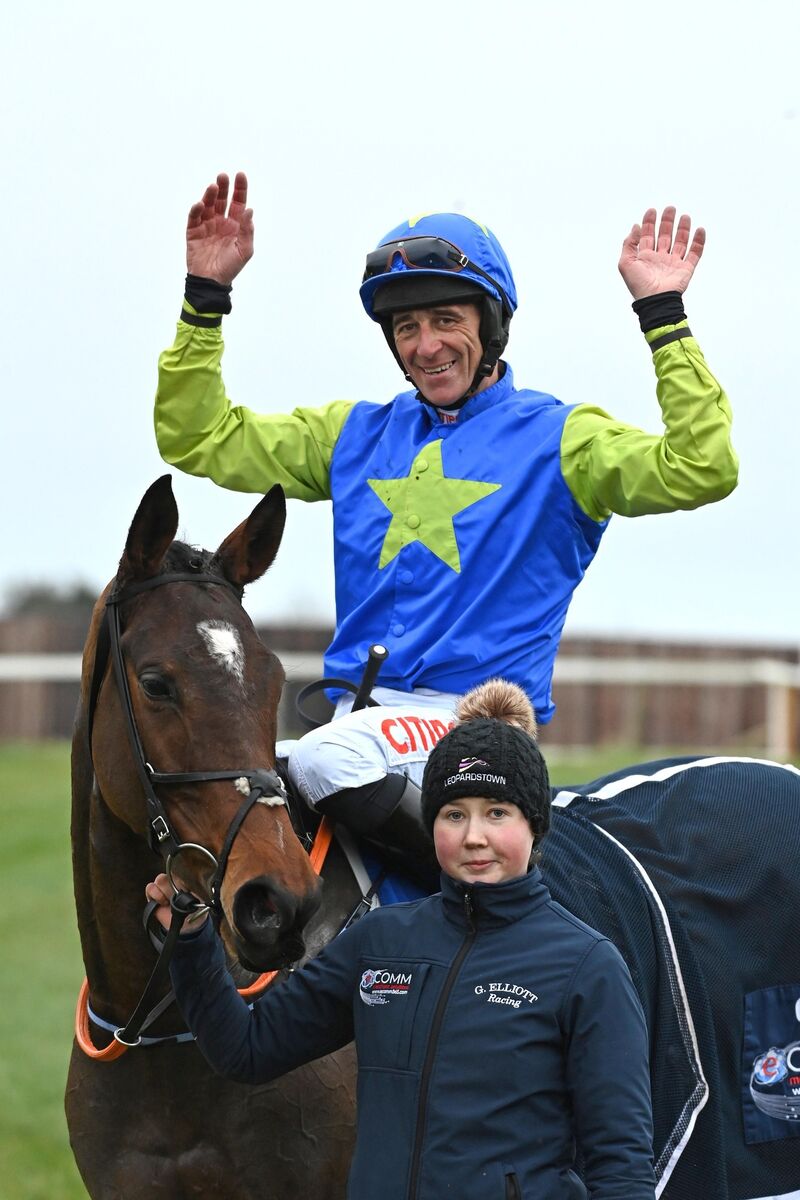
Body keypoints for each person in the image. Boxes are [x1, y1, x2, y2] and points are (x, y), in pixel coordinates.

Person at [153, 173, 738, 866]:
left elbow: (702, 465)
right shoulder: (354, 437)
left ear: (490, 325)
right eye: (407, 327)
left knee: (317, 761)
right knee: (216, 786)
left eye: (446, 321)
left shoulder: (564, 441)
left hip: (470, 730)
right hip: (358, 730)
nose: (425, 346)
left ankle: (493, 902)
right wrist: (205, 300)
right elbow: (198, 437)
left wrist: (663, 315)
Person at [146, 680, 656, 1200]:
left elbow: (622, 1169)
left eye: (497, 813)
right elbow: (245, 1051)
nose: (473, 836)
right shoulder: (382, 940)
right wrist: (189, 938)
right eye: (454, 815)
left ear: (535, 825)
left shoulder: (587, 966)